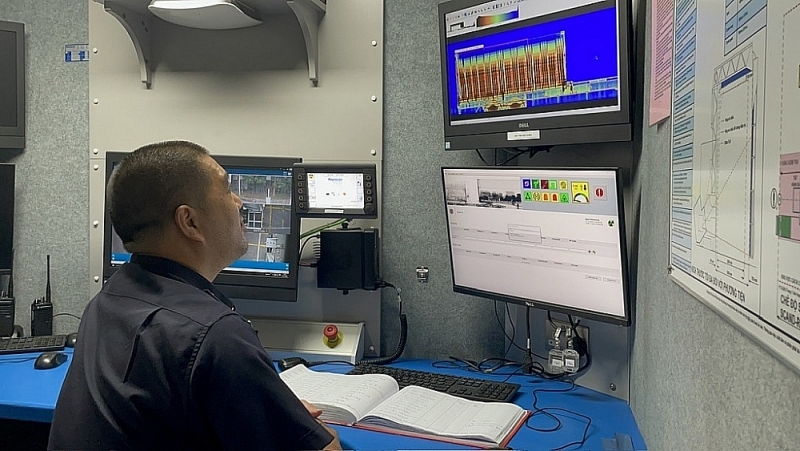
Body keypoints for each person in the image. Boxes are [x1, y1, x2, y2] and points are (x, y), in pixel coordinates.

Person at [48, 141, 341, 450]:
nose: (239, 202)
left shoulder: (107, 301)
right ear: (189, 222)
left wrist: (269, 406)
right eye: (227, 190)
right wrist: (305, 425)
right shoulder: (214, 335)